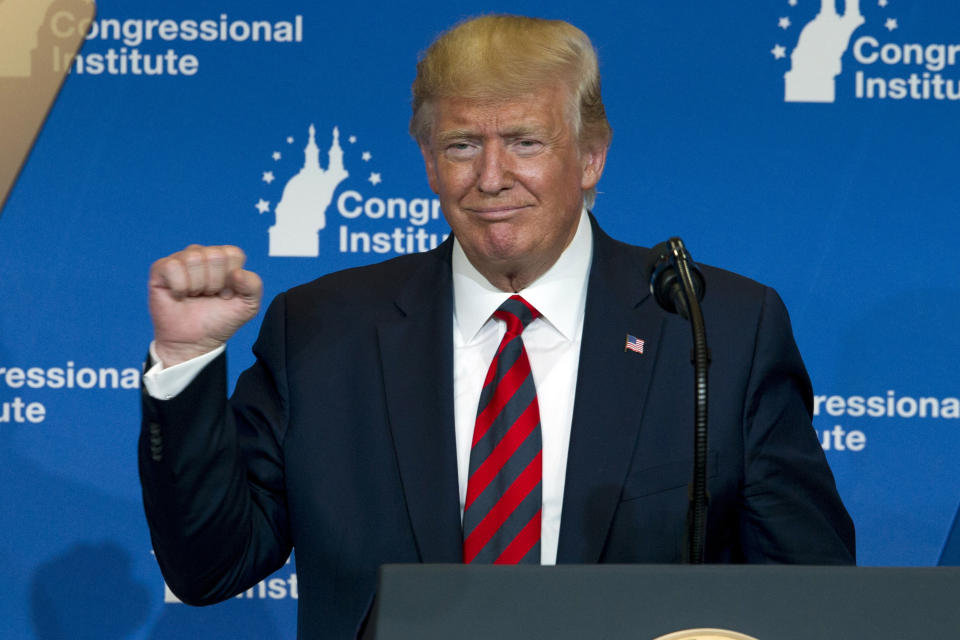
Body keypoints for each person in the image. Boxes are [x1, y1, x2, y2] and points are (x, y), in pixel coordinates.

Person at [140, 14, 855, 639]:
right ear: (426, 161)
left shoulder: (712, 328)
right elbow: (211, 566)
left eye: (524, 142)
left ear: (591, 156)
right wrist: (187, 360)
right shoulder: (326, 330)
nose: (490, 177)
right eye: (460, 145)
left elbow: (811, 595)